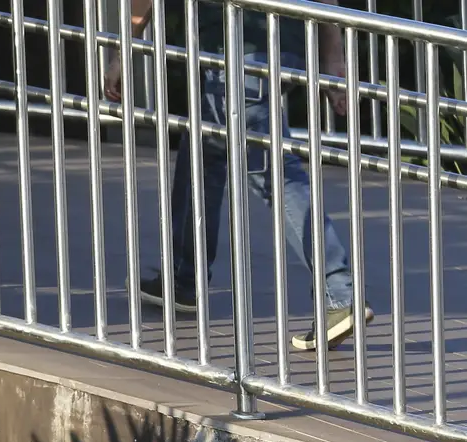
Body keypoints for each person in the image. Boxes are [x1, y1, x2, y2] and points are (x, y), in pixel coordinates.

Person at [104, 0, 373, 351]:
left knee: (275, 174)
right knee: (203, 153)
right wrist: (332, 57)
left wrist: (124, 48)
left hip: (238, 45)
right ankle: (185, 279)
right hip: (282, 41)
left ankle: (339, 295)